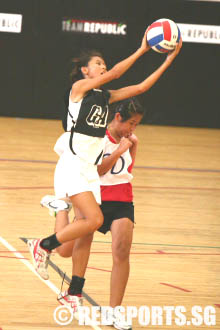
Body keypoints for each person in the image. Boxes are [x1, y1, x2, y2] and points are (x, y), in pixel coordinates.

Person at [28, 30, 182, 311]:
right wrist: (142, 49)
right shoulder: (77, 91)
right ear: (85, 70)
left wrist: (169, 59)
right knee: (95, 219)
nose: (103, 66)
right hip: (73, 163)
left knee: (85, 233)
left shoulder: (106, 97)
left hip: (88, 169)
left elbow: (142, 87)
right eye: (98, 63)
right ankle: (43, 245)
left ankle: (73, 292)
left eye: (103, 63)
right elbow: (114, 74)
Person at [41, 98, 143, 330]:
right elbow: (98, 172)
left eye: (137, 125)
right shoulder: (98, 139)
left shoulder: (130, 140)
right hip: (94, 199)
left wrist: (130, 147)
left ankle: (114, 312)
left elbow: (126, 171)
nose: (133, 129)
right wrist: (118, 151)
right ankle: (61, 208)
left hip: (122, 201)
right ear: (118, 118)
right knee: (64, 251)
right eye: (132, 123)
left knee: (121, 250)